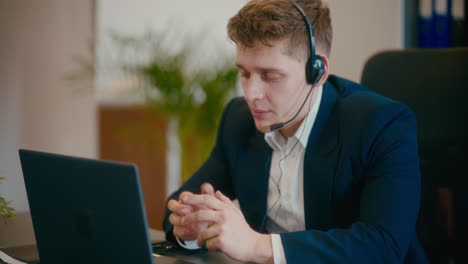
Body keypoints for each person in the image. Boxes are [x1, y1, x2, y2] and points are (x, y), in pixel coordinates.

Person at [163, 0, 427, 263]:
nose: (251, 94)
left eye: (270, 76)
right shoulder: (238, 119)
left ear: (318, 71)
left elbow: (383, 245)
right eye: (244, 73)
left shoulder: (382, 124)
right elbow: (181, 203)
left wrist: (259, 245)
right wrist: (189, 226)